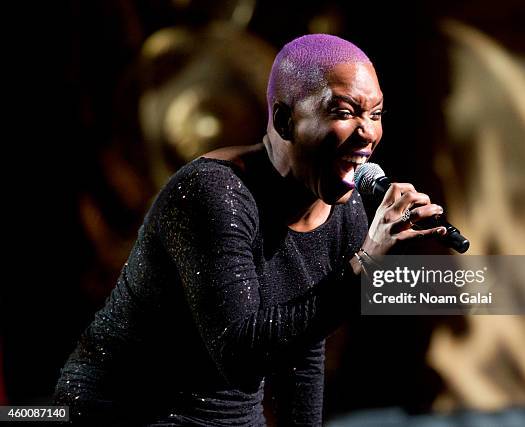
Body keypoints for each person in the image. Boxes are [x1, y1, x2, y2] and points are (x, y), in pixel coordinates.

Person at [54, 34, 446, 426]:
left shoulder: (345, 213)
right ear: (285, 119)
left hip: (230, 418)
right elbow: (238, 356)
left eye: (375, 114)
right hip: (125, 411)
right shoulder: (214, 193)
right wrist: (365, 263)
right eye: (345, 112)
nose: (368, 133)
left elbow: (304, 350)